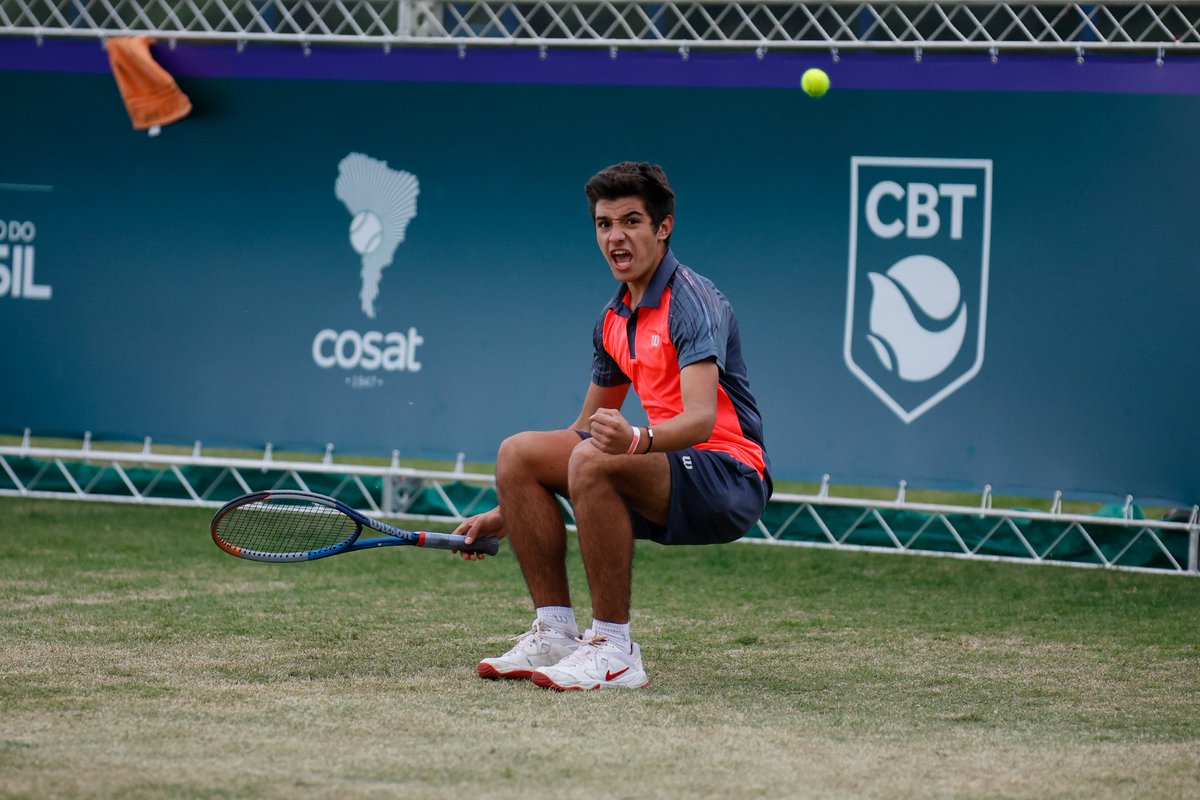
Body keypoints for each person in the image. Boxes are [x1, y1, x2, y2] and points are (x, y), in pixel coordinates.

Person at [454, 161, 771, 690]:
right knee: (521, 454)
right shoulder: (612, 318)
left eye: (630, 222)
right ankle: (555, 632)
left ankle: (614, 649)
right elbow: (581, 431)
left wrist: (636, 440)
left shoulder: (692, 302)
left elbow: (699, 420)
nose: (615, 237)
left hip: (729, 477)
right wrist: (508, 510)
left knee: (595, 459)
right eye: (604, 224)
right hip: (665, 467)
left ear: (662, 228)